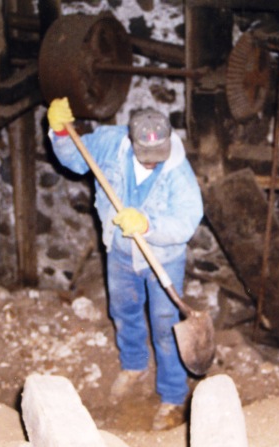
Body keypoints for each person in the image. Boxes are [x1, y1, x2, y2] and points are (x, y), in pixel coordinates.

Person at [47, 97, 203, 430]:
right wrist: (60, 132)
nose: (152, 165)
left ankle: (173, 396)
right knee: (124, 312)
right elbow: (75, 160)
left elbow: (187, 220)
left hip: (163, 257)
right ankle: (134, 365)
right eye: (145, 159)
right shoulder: (110, 142)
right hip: (119, 251)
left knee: (166, 328)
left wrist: (149, 226)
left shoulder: (177, 169)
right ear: (130, 140)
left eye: (157, 158)